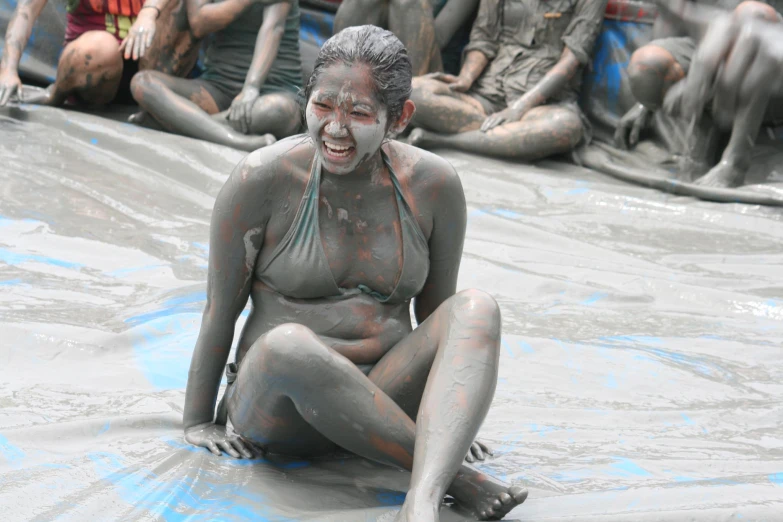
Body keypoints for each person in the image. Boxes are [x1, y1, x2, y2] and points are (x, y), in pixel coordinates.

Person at [182, 25, 528, 522]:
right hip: (280, 407)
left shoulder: (435, 186)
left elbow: (438, 316)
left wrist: (447, 423)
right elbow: (220, 307)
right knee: (289, 344)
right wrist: (197, 422)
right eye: (323, 106)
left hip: (385, 394)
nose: (336, 129)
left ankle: (423, 499)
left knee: (478, 309)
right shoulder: (263, 178)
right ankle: (454, 479)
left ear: (399, 118)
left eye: (359, 113)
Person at [407, 0, 607, 161]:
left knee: (564, 126)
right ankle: (504, 137)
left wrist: (519, 108)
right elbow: (484, 38)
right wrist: (466, 78)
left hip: (543, 106)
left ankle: (441, 140)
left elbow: (571, 59)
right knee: (413, 91)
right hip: (486, 95)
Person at [615, 0, 783, 187]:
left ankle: (736, 161)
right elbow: (672, 18)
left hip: (773, 64)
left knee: (754, 14)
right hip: (707, 57)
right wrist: (645, 103)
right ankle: (700, 144)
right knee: (647, 65)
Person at [129, 0, 303, 151]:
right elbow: (199, 22)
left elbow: (273, 28)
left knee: (278, 111)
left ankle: (179, 121)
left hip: (272, 88)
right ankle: (236, 141)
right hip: (218, 85)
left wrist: (251, 87)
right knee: (143, 83)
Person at [0, 0, 198, 107]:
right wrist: (8, 70)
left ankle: (155, 105)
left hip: (155, 67)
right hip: (97, 68)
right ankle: (57, 94)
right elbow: (26, 11)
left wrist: (149, 12)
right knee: (101, 47)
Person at [334, 0, 479, 75]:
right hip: (373, 60)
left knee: (408, 2)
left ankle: (402, 96)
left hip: (429, 68)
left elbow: (440, 39)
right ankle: (339, 75)